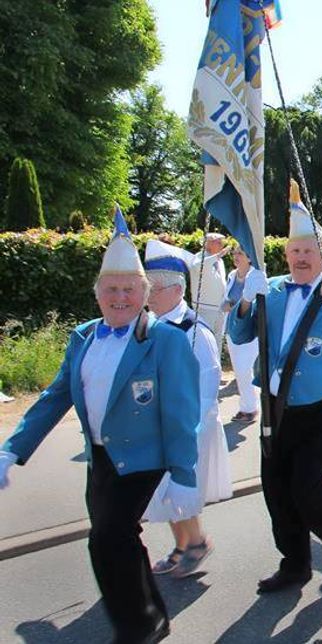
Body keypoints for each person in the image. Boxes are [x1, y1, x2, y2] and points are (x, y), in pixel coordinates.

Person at [0, 212, 200, 643]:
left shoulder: (165, 341)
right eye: (112, 289)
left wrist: (184, 476)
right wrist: (11, 450)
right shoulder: (83, 337)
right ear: (98, 295)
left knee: (106, 539)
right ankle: (154, 614)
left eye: (130, 289)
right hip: (101, 456)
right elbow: (55, 398)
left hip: (145, 456)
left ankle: (137, 628)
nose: (121, 297)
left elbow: (183, 412)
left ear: (145, 294)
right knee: (120, 537)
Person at [228, 181, 322, 594]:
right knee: (275, 492)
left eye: (309, 252)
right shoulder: (268, 290)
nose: (301, 258)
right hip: (274, 410)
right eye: (295, 252)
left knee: (306, 490)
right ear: (286, 255)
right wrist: (243, 300)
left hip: (317, 412)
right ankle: (295, 564)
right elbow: (238, 336)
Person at [141, 239, 232, 578]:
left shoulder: (194, 332)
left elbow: (207, 387)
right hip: (156, 426)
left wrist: (187, 430)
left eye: (155, 288)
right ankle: (183, 546)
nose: (148, 294)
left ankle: (194, 543)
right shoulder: (149, 326)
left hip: (187, 427)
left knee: (174, 490)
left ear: (178, 290)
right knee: (163, 492)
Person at [223, 244, 260, 423]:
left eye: (240, 253)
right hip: (231, 329)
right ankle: (247, 406)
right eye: (234, 252)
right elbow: (227, 297)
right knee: (239, 370)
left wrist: (237, 307)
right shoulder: (231, 275)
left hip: (250, 331)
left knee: (245, 369)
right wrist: (225, 304)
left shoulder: (255, 276)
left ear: (250, 257)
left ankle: (250, 408)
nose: (236, 256)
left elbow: (258, 302)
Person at [189, 232, 229, 348]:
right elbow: (198, 267)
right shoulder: (200, 257)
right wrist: (216, 256)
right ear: (209, 243)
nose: (222, 245)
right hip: (204, 309)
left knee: (217, 343)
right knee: (204, 343)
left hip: (219, 309)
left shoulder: (220, 261)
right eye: (219, 242)